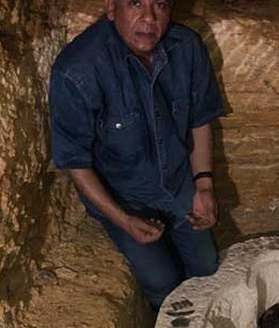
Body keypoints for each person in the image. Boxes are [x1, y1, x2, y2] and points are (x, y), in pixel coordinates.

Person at [49, 0, 225, 309]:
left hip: (177, 179)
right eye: (135, 3)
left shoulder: (186, 47)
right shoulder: (77, 69)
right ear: (111, 7)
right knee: (161, 282)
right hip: (121, 193)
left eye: (160, 5)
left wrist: (204, 184)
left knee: (206, 268)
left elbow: (200, 120)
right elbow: (76, 163)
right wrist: (123, 220)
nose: (149, 18)